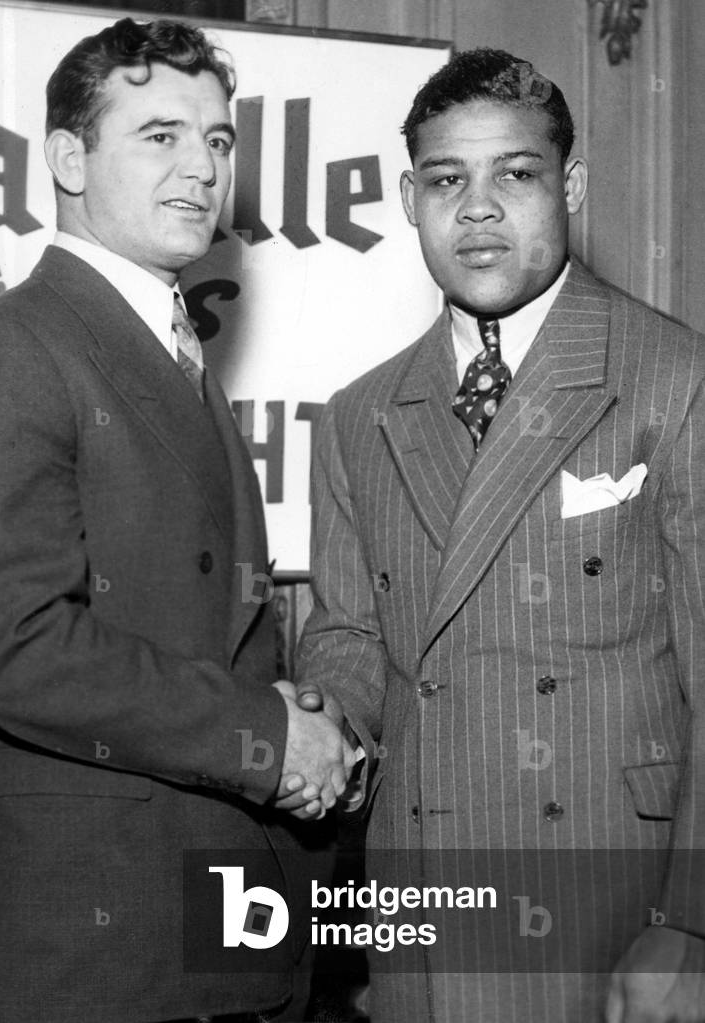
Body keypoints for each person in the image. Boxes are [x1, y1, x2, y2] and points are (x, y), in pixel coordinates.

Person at [0, 18, 353, 1023]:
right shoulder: (8, 347)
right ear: (67, 157)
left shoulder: (169, 349)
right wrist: (267, 740)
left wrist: (306, 728)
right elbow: (13, 646)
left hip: (203, 921)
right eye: (160, 136)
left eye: (217, 141)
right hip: (92, 941)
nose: (202, 169)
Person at [295, 48, 705, 1023]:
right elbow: (350, 631)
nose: (475, 209)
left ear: (566, 185)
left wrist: (689, 928)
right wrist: (323, 724)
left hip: (612, 901)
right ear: (407, 197)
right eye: (444, 180)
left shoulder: (669, 377)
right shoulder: (357, 414)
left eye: (511, 175)